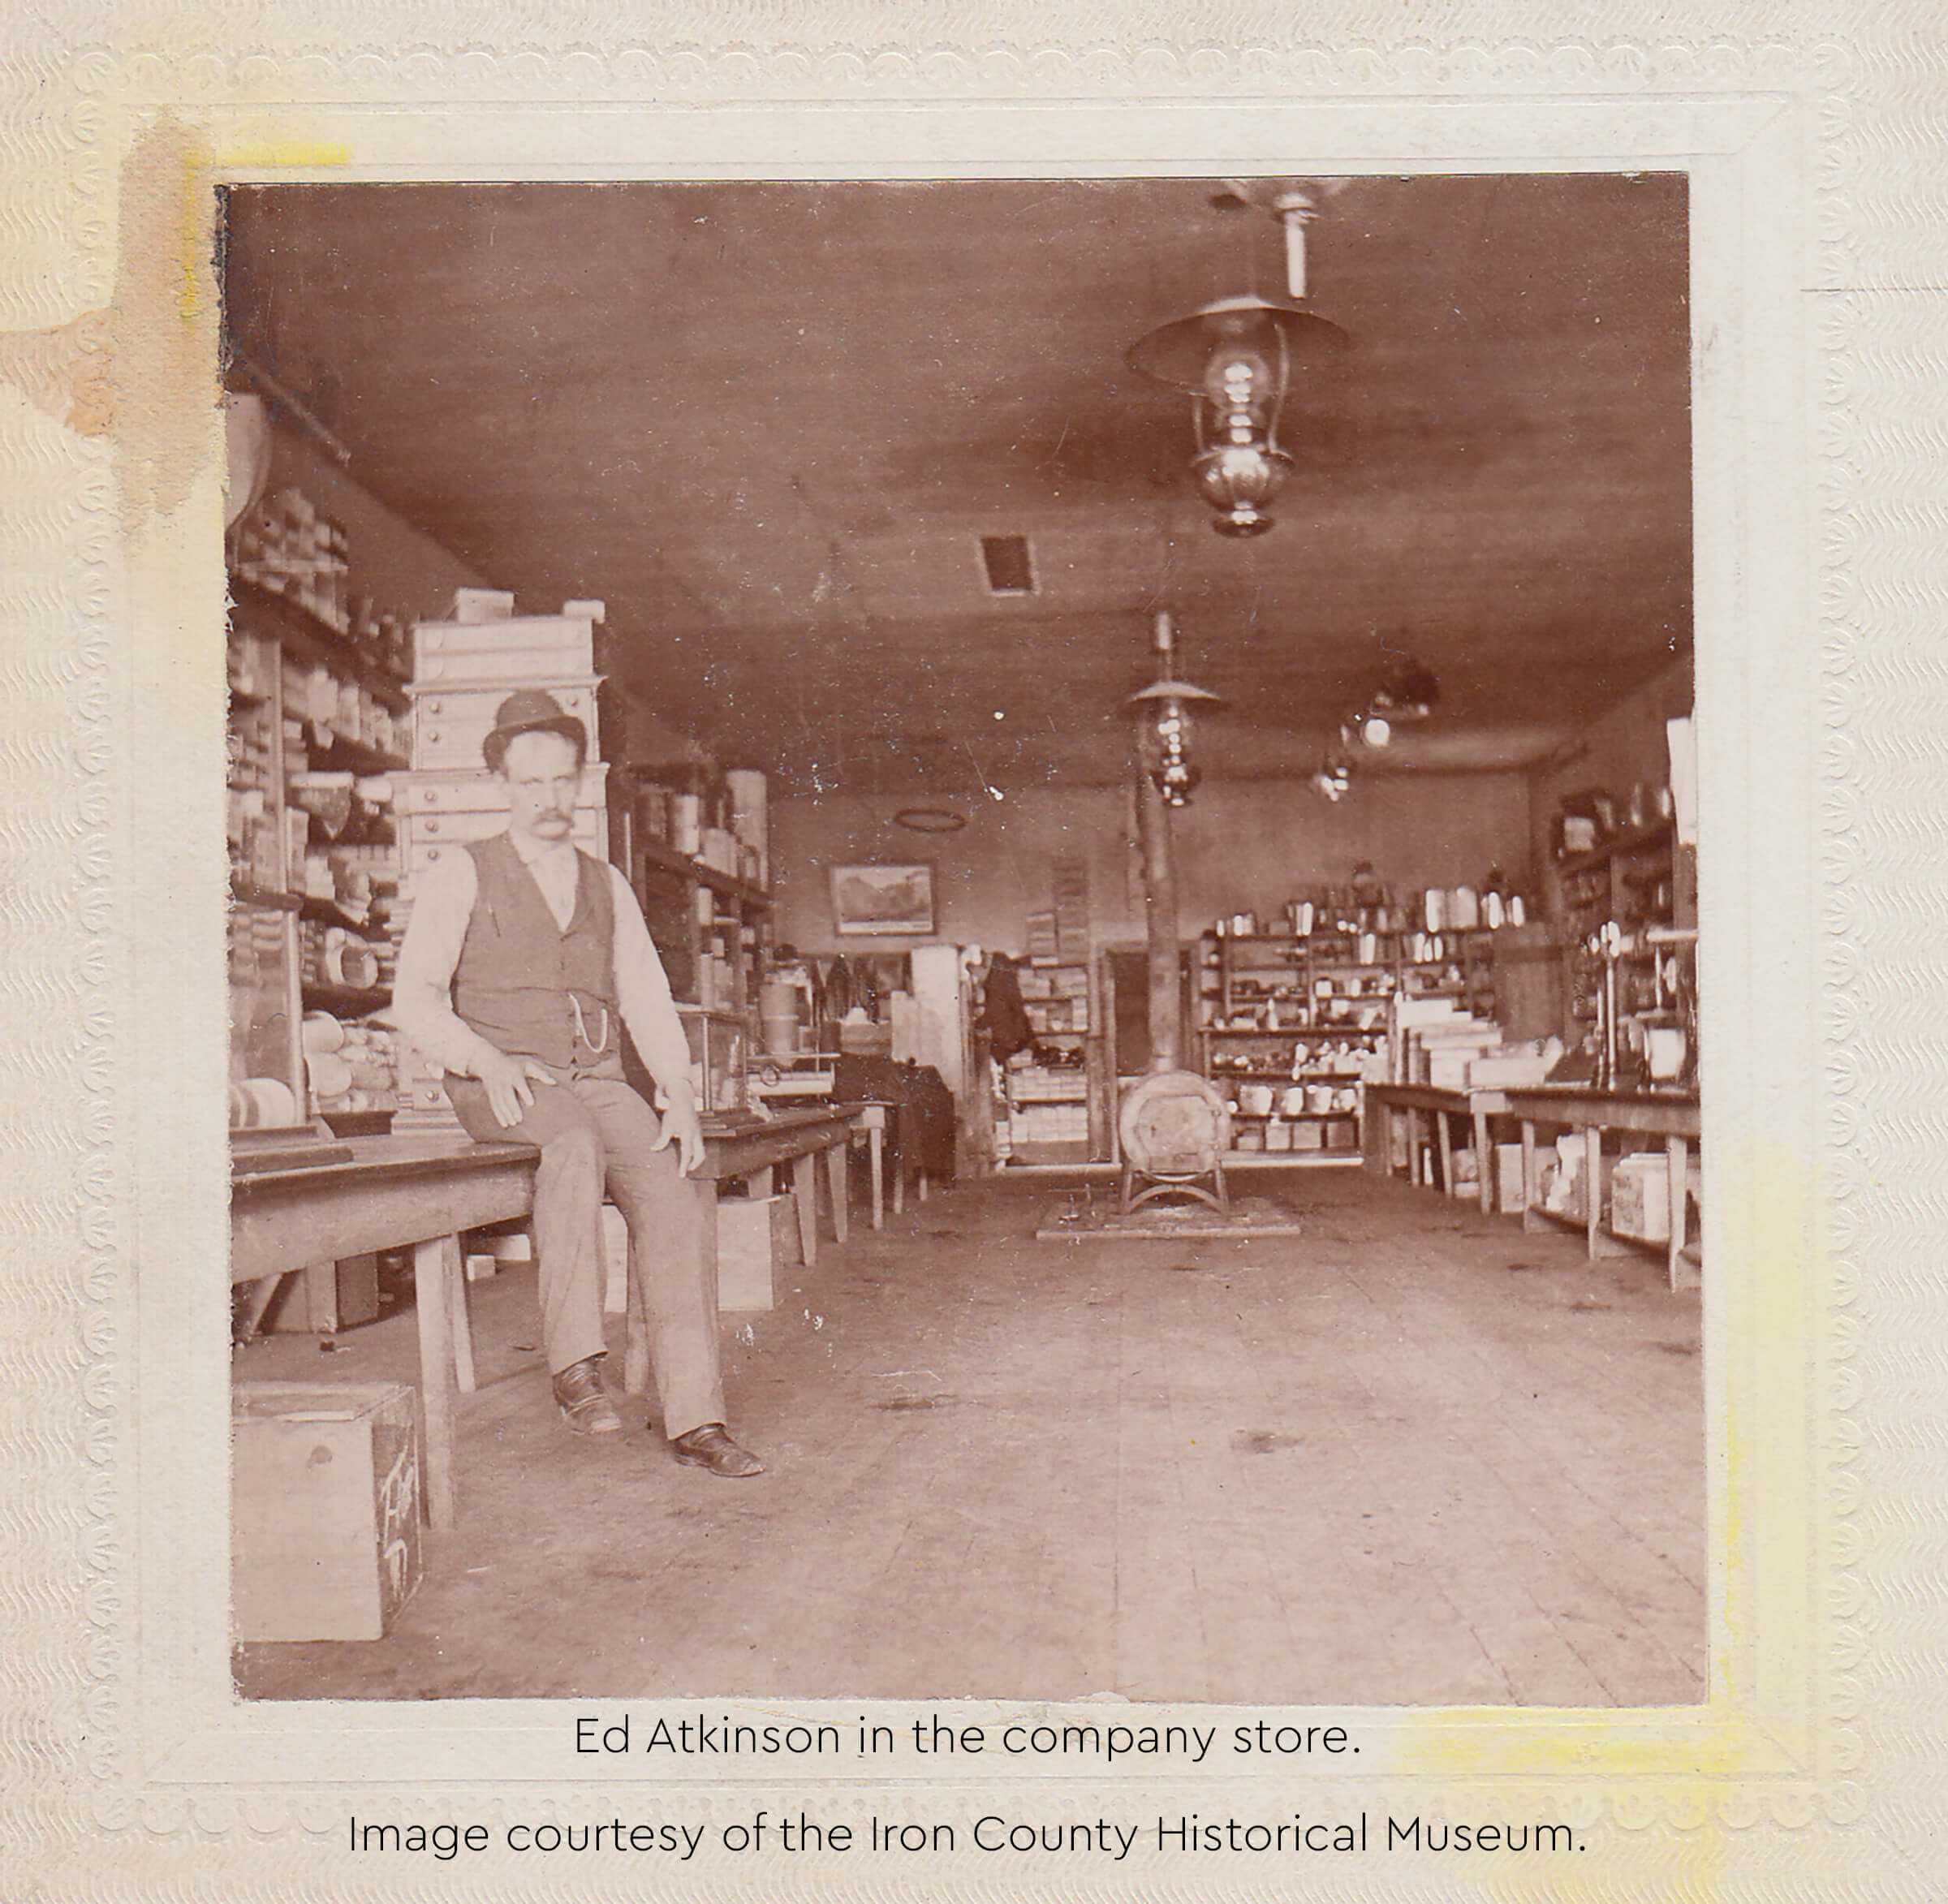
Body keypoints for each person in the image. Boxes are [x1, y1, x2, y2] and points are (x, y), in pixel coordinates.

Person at [392, 687, 763, 1477]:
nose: (550, 799)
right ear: (502, 784)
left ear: (580, 781)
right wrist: (483, 1061)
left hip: (591, 1075)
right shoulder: (462, 872)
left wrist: (679, 1092)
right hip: (498, 1077)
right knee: (569, 1142)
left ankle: (696, 1417)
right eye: (532, 785)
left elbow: (647, 998)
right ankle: (573, 1366)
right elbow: (414, 999)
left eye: (563, 781)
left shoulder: (607, 885)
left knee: (674, 1181)